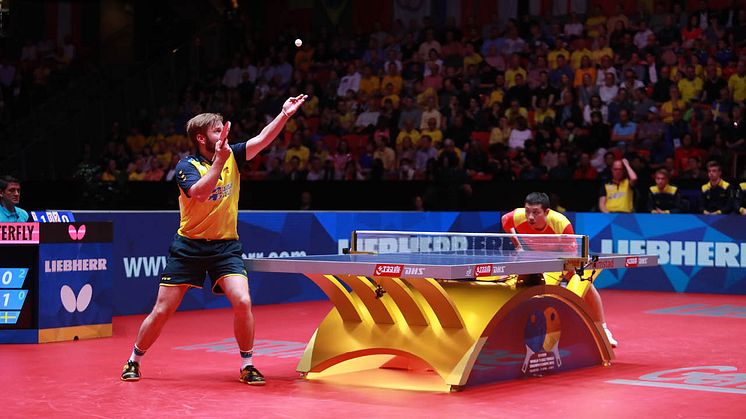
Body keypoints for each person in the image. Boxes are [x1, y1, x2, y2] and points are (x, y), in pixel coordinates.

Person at [120, 94, 308, 385]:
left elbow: (261, 140)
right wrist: (219, 164)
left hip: (225, 246)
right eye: (217, 130)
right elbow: (199, 193)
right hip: (189, 247)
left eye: (224, 129)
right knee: (162, 310)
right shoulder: (187, 166)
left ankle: (247, 365)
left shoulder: (231, 154)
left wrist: (284, 114)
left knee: (243, 300)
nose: (224, 134)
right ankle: (134, 359)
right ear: (201, 137)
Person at [501, 192, 618, 347]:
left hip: (561, 257)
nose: (530, 217)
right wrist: (518, 246)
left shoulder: (561, 223)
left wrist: (562, 270)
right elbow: (505, 222)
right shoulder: (517, 216)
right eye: (527, 211)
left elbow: (571, 254)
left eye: (536, 212)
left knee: (586, 286)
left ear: (547, 212)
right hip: (534, 256)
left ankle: (603, 329)